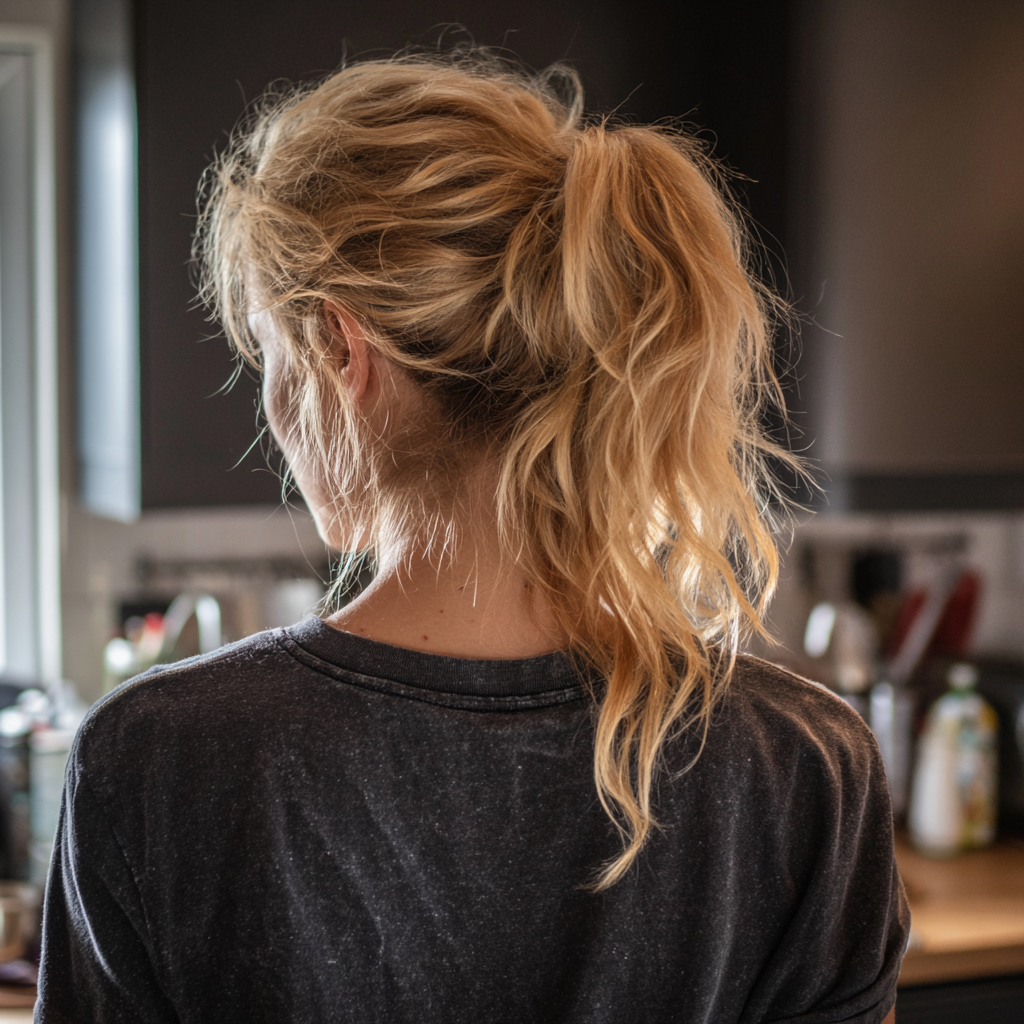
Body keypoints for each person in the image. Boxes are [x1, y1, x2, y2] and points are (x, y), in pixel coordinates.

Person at [36, 52, 908, 1023]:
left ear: (340, 351)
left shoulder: (155, 759)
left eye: (269, 356)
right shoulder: (806, 766)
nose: (272, 408)